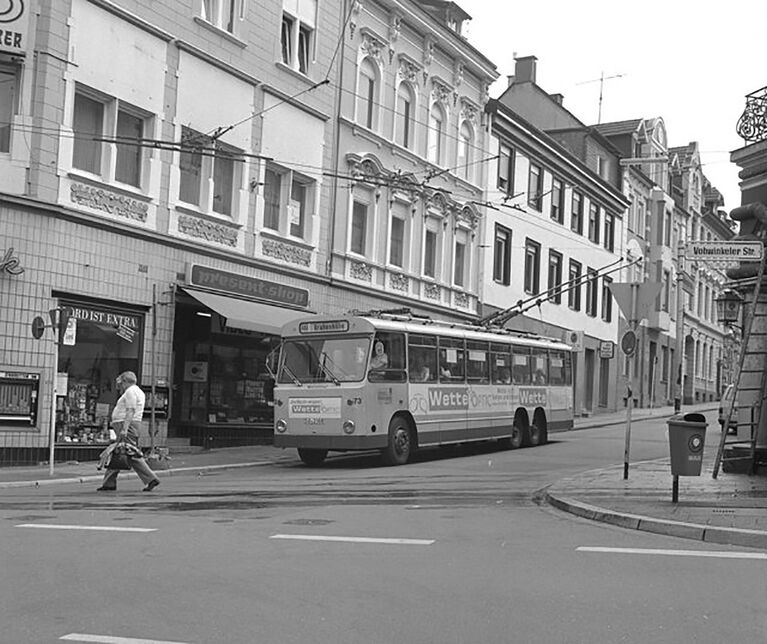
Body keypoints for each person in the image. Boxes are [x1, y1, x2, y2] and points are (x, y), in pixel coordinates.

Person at [97, 371, 160, 492]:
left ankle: (151, 478)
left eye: (120, 383)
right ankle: (109, 482)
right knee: (121, 452)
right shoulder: (137, 391)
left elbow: (130, 410)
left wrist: (125, 428)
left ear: (125, 381)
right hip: (128, 424)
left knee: (128, 452)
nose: (119, 386)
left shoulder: (131, 392)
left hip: (126, 424)